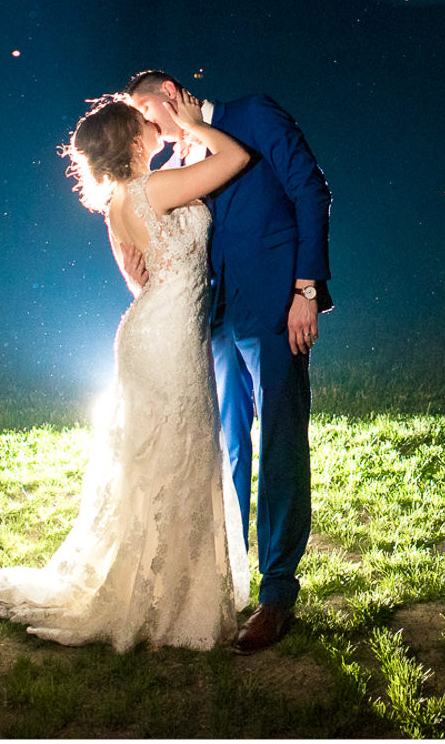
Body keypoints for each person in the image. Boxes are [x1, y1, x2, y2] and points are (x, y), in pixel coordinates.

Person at [0, 96, 255, 650]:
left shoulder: (126, 199)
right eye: (144, 123)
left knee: (164, 462)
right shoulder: (151, 191)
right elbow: (235, 159)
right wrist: (195, 126)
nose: (154, 126)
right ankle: (172, 600)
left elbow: (145, 274)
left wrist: (181, 142)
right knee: (182, 457)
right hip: (167, 340)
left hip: (153, 332)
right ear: (130, 142)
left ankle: (169, 590)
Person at [124, 70, 333, 653]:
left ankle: (276, 594)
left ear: (168, 93)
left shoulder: (252, 113)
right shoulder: (179, 156)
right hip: (214, 318)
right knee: (229, 447)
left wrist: (307, 289)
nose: (146, 125)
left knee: (281, 443)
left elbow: (310, 190)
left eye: (147, 109)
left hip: (274, 306)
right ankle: (230, 578)